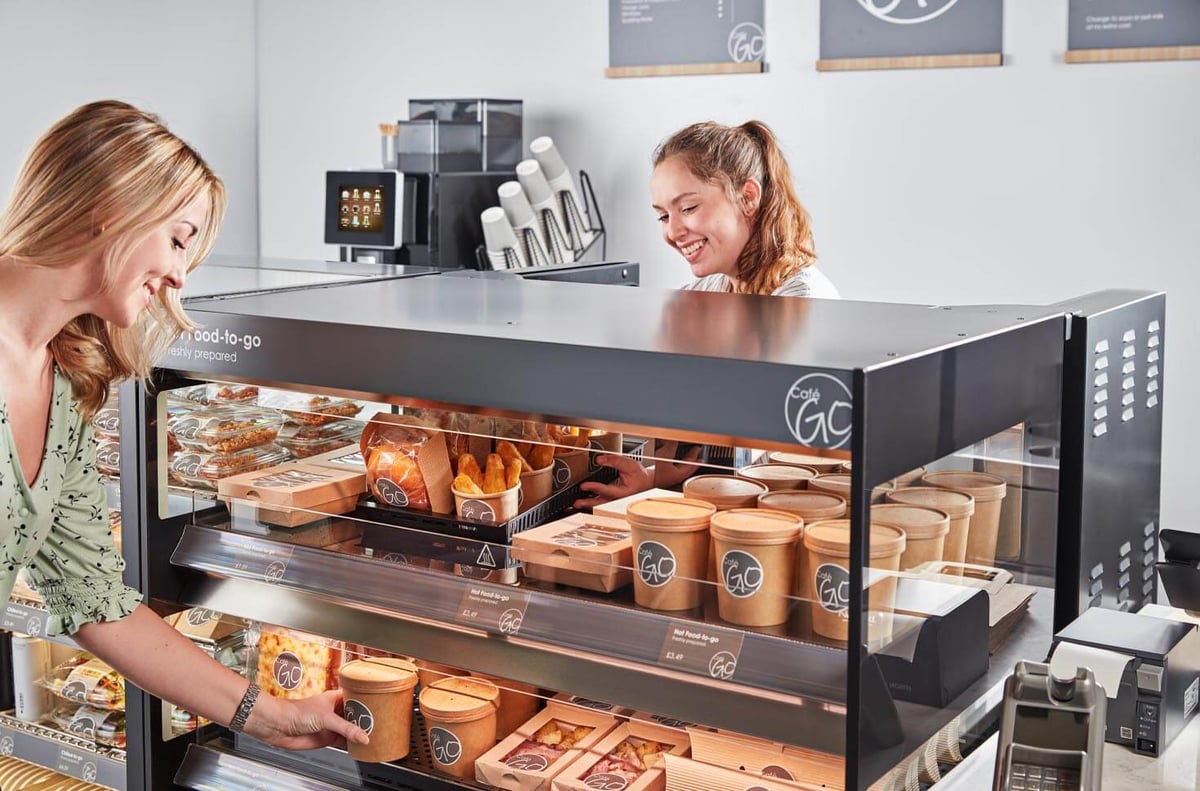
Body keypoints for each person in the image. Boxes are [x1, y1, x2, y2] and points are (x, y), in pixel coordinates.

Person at [0, 101, 368, 750]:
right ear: (113, 206)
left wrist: (272, 715)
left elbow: (96, 601)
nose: (177, 274)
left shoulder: (61, 388)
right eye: (177, 237)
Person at [576, 120, 837, 509]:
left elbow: (783, 462)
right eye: (663, 216)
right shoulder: (703, 295)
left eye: (689, 208)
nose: (673, 231)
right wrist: (656, 477)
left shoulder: (804, 304)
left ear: (748, 196)